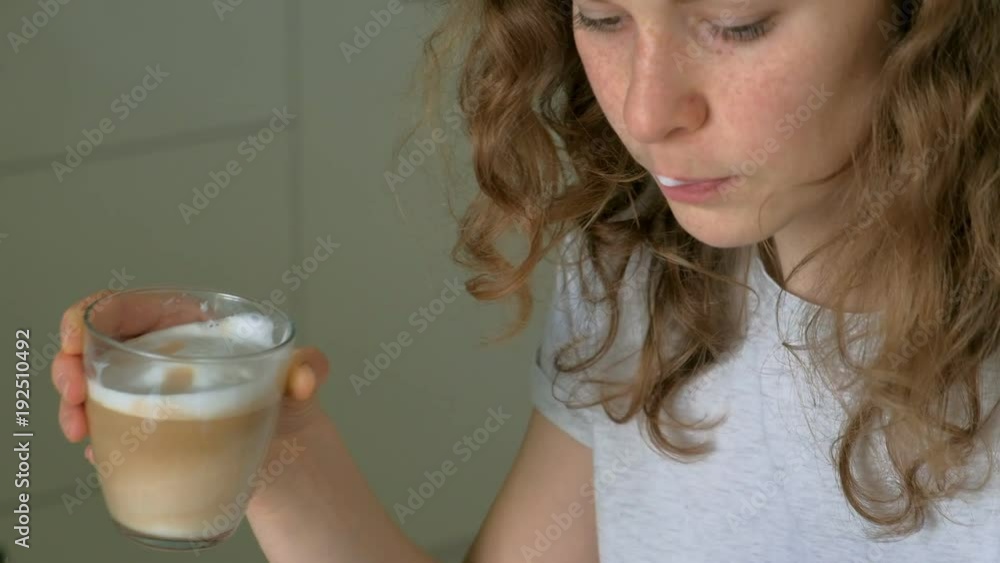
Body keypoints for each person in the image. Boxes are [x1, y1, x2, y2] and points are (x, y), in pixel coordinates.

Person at [53, 0, 1000, 561]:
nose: (645, 110)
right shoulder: (637, 273)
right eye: (603, 17)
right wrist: (272, 439)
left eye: (734, 22)